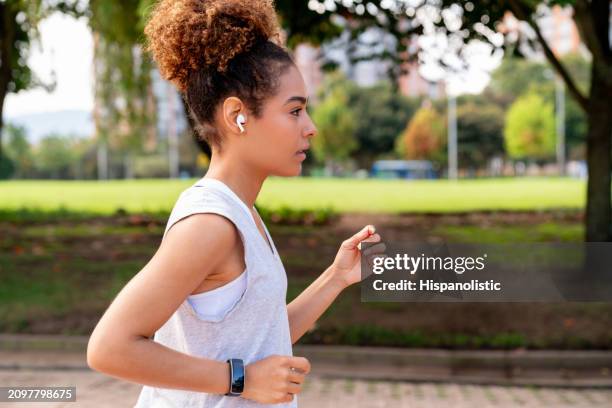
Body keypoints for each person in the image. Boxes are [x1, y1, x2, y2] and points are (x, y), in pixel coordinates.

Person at [86, 0, 384, 406]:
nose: (310, 129)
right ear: (237, 116)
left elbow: (262, 338)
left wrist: (336, 277)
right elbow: (109, 348)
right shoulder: (210, 224)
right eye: (294, 111)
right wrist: (239, 379)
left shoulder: (241, 213)